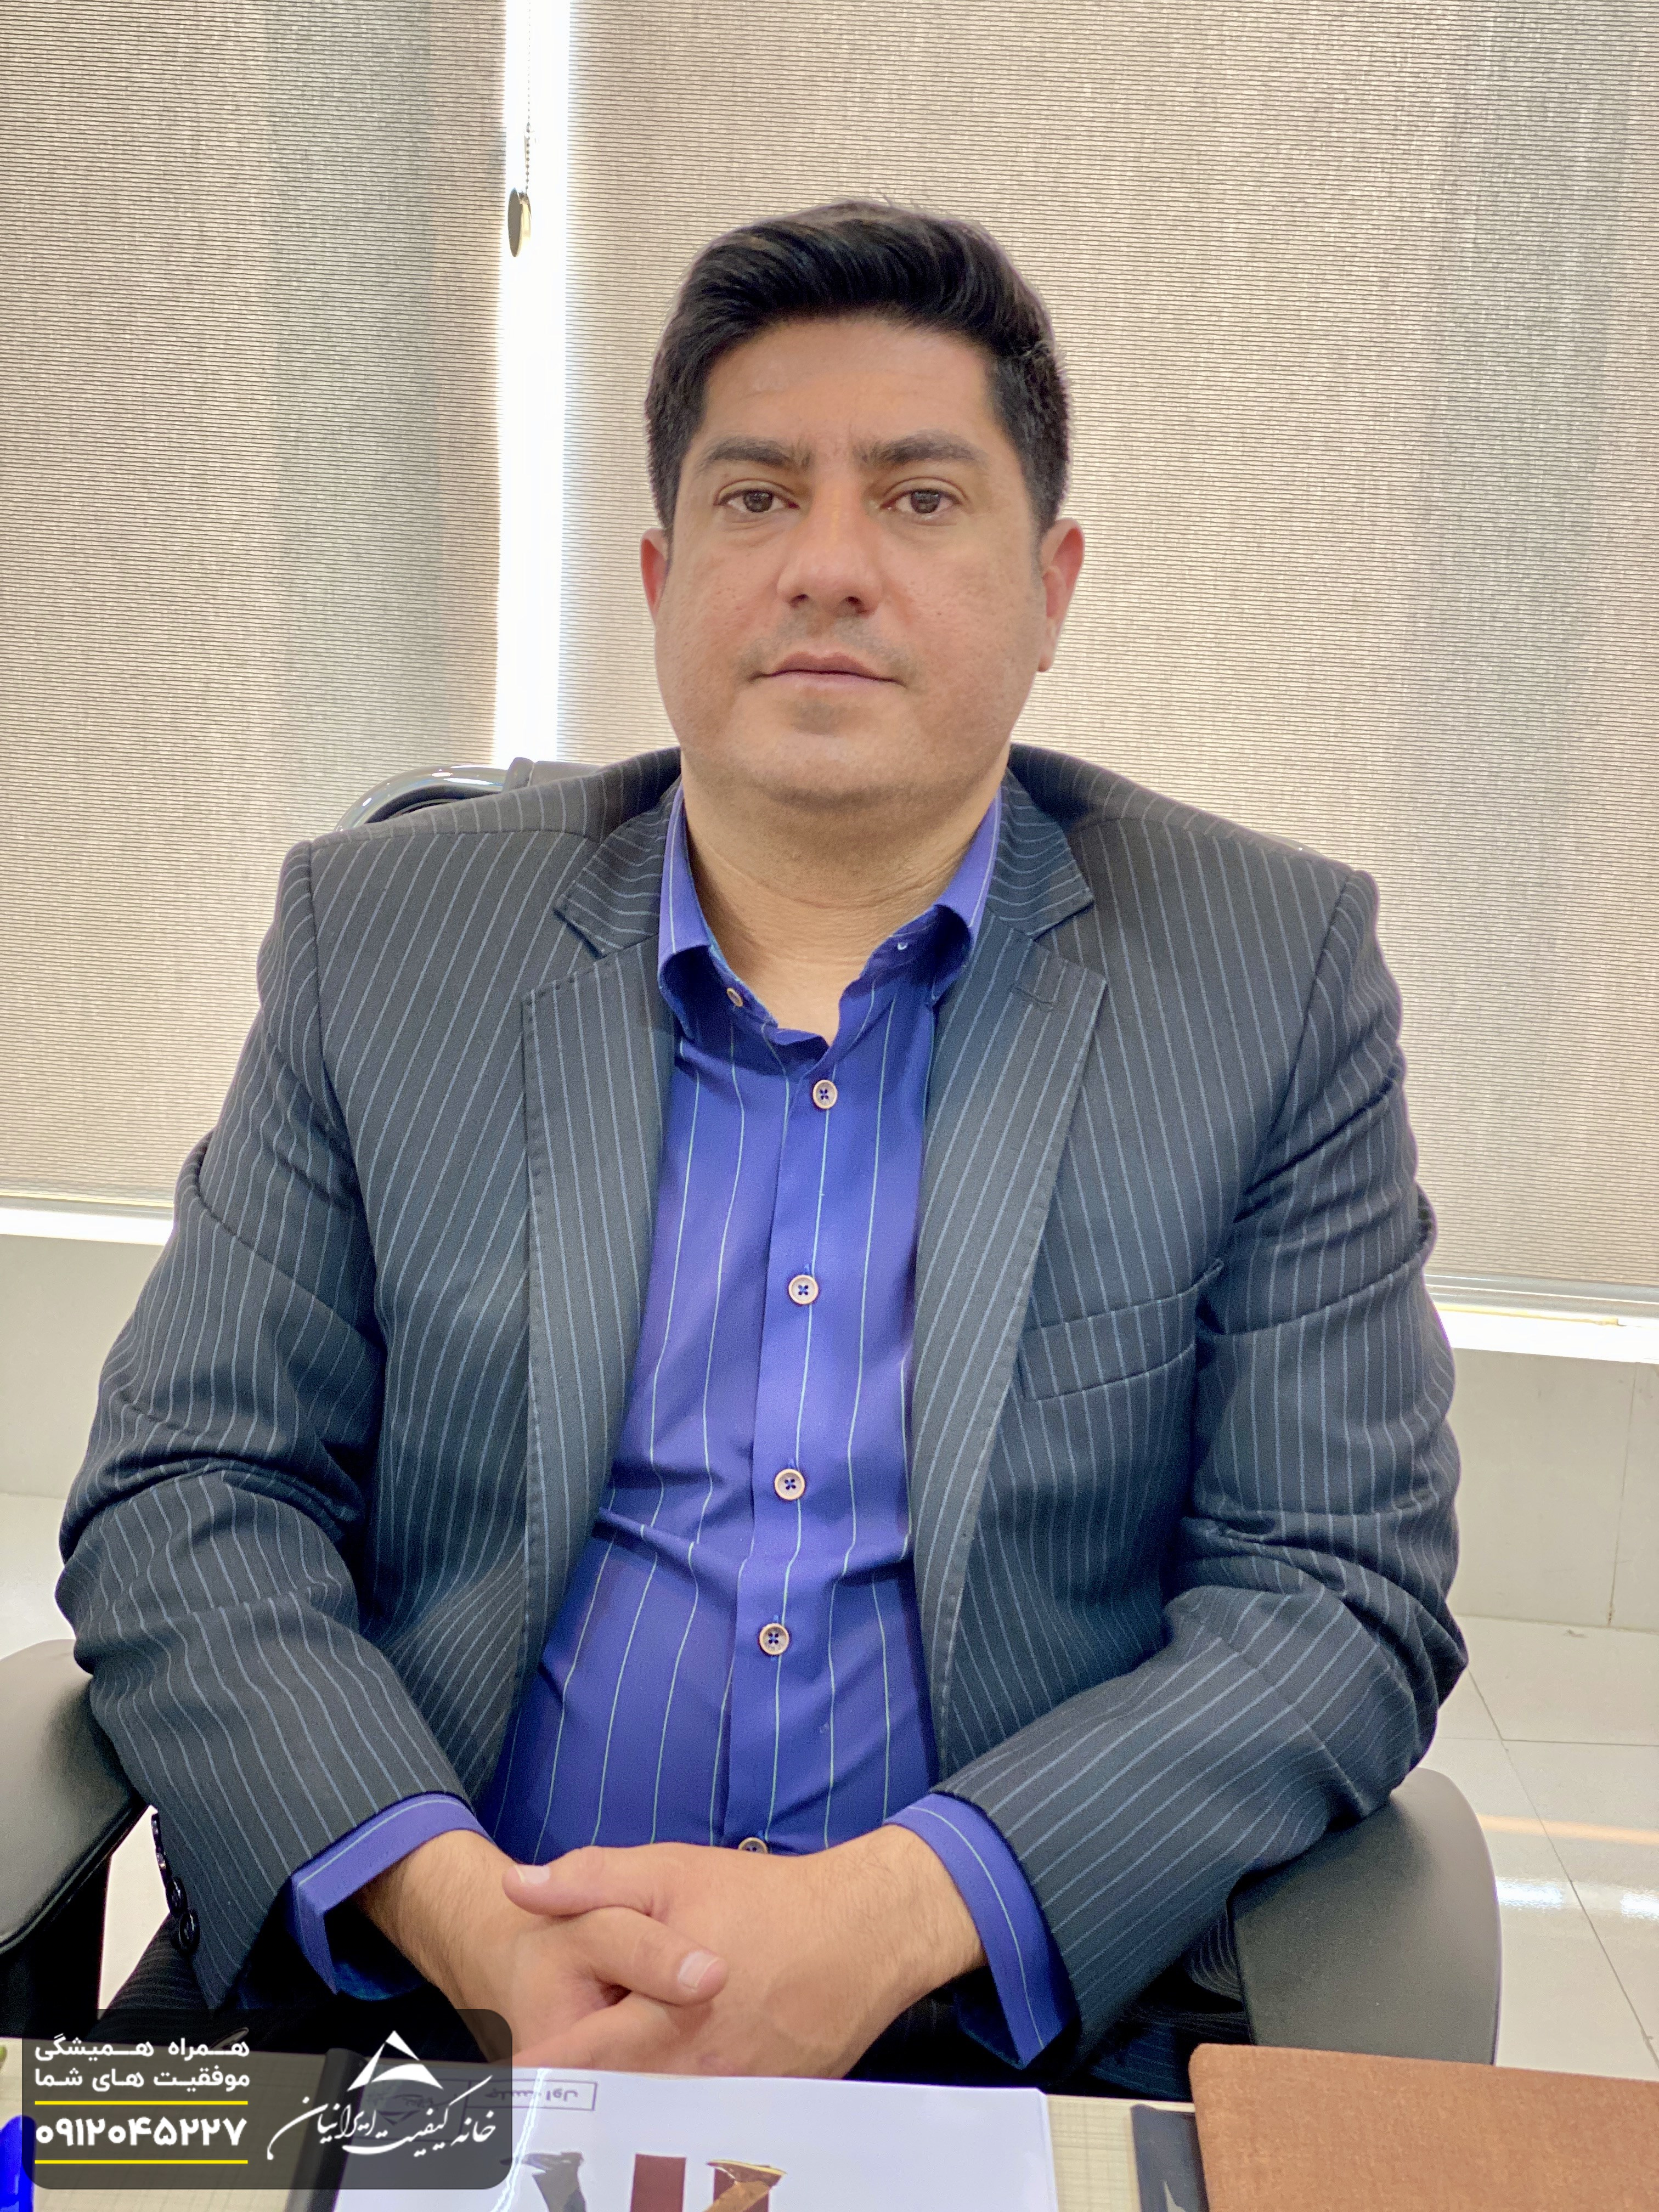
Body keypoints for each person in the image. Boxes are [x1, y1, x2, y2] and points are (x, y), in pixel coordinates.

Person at [61, 201, 1463, 2096]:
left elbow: (1339, 1592)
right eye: (755, 498)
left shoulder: (1264, 972)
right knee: (58, 2166)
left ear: (1051, 589)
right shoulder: (380, 937)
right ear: (660, 578)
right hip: (405, 2015)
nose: (826, 567)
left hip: (987, 2047)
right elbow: (185, 1488)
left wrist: (892, 1917)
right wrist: (462, 1919)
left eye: (920, 499)